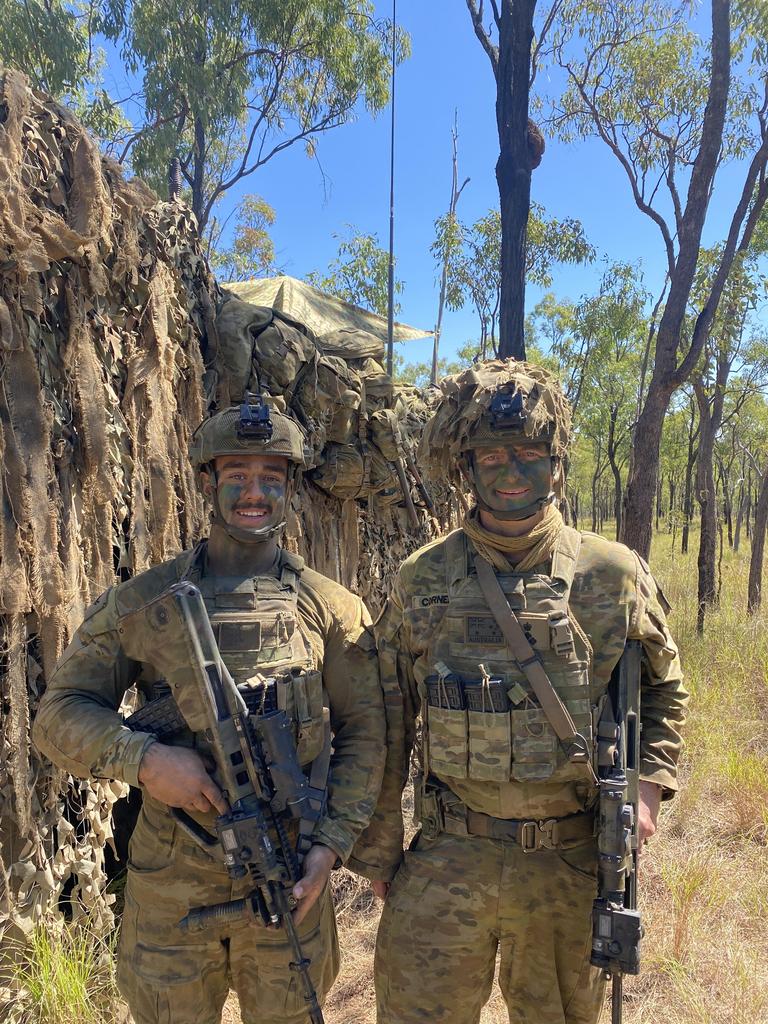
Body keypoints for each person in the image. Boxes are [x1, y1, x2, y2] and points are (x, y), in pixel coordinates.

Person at [347, 360, 688, 1024]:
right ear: (464, 466)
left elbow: (664, 690)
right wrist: (381, 848)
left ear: (556, 465)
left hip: (568, 860)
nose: (511, 470)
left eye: (530, 453)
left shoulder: (612, 574)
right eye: (492, 454)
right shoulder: (426, 577)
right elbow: (387, 715)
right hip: (450, 855)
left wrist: (646, 789)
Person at [33, 397, 385, 1024]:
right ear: (208, 482)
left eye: (271, 479)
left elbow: (365, 735)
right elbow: (59, 715)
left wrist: (330, 846)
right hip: (171, 889)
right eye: (238, 477)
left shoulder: (331, 609)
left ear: (290, 491)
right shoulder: (145, 602)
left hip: (289, 880)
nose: (255, 494)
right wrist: (144, 759)